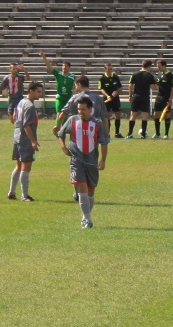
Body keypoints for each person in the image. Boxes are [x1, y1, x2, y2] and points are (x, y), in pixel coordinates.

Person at [57, 96, 110, 228]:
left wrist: (103, 160)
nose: (80, 112)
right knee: (82, 188)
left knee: (90, 192)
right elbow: (60, 134)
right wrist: (63, 147)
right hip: (77, 161)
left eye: (83, 109)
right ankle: (88, 219)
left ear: (90, 109)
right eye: (79, 109)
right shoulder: (72, 120)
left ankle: (85, 216)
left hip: (92, 162)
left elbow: (104, 143)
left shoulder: (97, 124)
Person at [8, 82, 43, 202]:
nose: (40, 94)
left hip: (17, 137)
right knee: (26, 167)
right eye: (38, 92)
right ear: (31, 91)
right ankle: (25, 195)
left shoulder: (21, 102)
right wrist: (33, 141)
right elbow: (27, 125)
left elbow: (14, 116)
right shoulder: (30, 106)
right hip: (25, 139)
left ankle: (11, 192)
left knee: (18, 166)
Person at [39, 50, 75, 116]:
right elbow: (49, 67)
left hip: (68, 98)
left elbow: (76, 86)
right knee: (59, 114)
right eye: (63, 65)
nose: (64, 67)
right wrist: (44, 57)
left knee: (66, 115)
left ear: (69, 68)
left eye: (66, 66)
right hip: (60, 98)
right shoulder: (58, 74)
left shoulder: (72, 76)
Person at [127, 59, 157, 139]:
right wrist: (156, 83)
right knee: (144, 116)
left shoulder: (135, 74)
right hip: (145, 97)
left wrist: (130, 96)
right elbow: (153, 87)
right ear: (149, 66)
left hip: (136, 96)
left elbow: (130, 85)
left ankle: (129, 134)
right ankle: (143, 134)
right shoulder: (150, 75)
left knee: (133, 115)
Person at [99, 62, 124, 138]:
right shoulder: (102, 78)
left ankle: (117, 133)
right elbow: (101, 89)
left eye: (111, 69)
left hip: (115, 99)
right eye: (108, 69)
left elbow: (120, 87)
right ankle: (107, 133)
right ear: (105, 69)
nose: (110, 70)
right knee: (107, 115)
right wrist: (107, 96)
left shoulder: (115, 77)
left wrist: (117, 91)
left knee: (118, 114)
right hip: (107, 99)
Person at [153, 59, 173, 139]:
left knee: (167, 114)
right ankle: (157, 133)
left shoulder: (171, 75)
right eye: (157, 66)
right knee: (156, 114)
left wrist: (170, 99)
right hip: (159, 96)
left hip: (166, 97)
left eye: (159, 66)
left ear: (164, 66)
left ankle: (166, 134)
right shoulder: (159, 74)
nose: (158, 68)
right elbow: (158, 83)